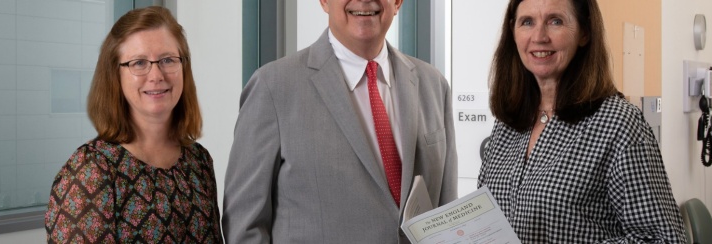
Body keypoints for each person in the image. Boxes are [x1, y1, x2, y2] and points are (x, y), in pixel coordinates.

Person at [222, 0, 457, 243]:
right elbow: (244, 224)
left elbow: (447, 210)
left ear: (397, 2)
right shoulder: (273, 86)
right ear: (324, 1)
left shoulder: (434, 84)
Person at [477, 0, 687, 243]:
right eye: (527, 22)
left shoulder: (618, 123)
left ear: (584, 33)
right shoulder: (508, 124)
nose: (539, 36)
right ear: (513, 32)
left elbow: (664, 238)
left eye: (555, 21)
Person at [44, 6, 222, 243]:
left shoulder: (198, 161)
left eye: (168, 60)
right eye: (139, 63)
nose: (156, 75)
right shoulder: (91, 170)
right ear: (114, 76)